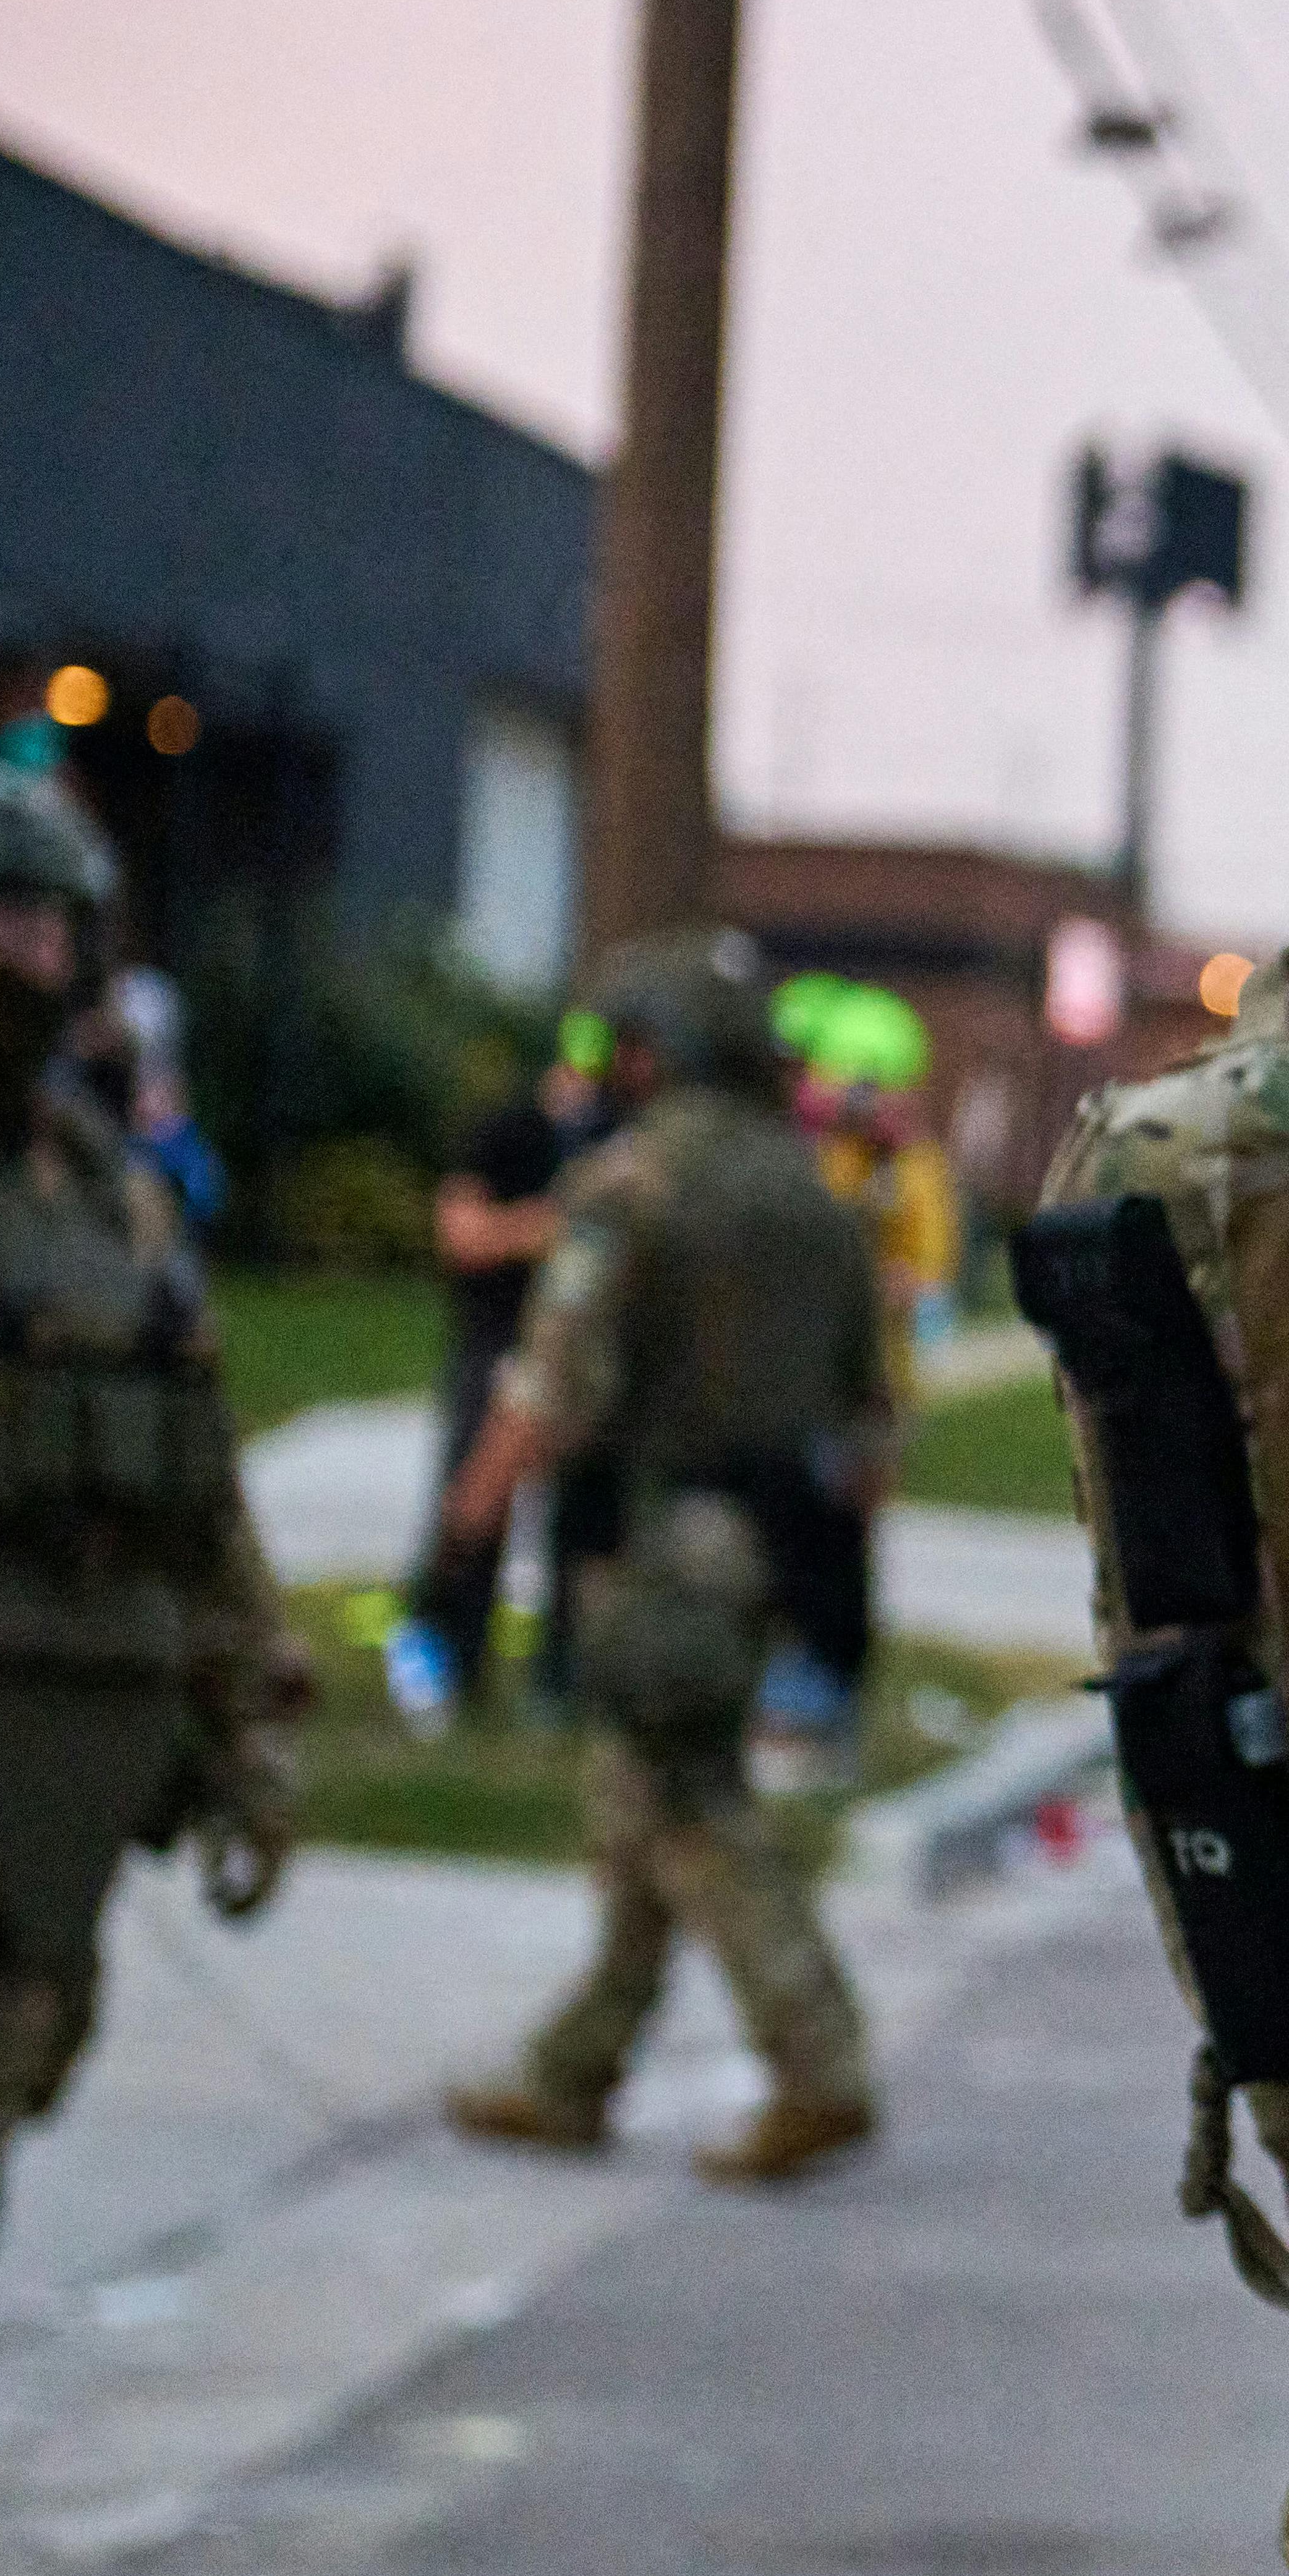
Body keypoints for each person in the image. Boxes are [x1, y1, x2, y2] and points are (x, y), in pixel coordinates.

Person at [0, 758, 307, 2576]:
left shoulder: (95, 1181)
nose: (9, 957)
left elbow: (198, 1480)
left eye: (39, 925)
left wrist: (248, 1714)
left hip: (58, 1750)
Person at [436, 933, 888, 2188]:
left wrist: (471, 1512)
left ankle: (818, 2063)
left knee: (687, 1804)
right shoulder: (817, 1201)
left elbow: (556, 1379)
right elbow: (871, 1415)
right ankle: (576, 2068)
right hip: (776, 1547)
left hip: (654, 1535)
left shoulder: (630, 1188)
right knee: (640, 1795)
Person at [386, 1047, 593, 1729]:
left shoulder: (617, 1142)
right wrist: (538, 1229)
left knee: (585, 1516)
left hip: (580, 1352)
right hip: (500, 1341)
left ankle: (563, 1683)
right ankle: (436, 1650)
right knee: (475, 1497)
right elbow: (462, 1234)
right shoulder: (508, 1132)